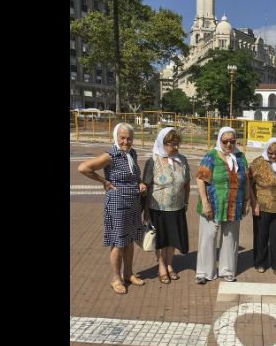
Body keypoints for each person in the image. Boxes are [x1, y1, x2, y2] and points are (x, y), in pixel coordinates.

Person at [77, 123, 147, 294]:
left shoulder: (132, 153)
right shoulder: (111, 155)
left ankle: (128, 273)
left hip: (133, 202)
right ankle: (116, 278)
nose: (126, 141)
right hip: (117, 202)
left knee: (130, 241)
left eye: (129, 138)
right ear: (116, 137)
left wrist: (140, 184)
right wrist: (104, 181)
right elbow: (83, 168)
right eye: (122, 137)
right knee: (118, 242)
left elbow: (134, 175)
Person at [194, 127, 251, 284]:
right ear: (219, 140)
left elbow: (246, 180)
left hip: (234, 204)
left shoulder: (240, 157)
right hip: (212, 204)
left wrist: (247, 201)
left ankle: (227, 270)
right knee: (208, 237)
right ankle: (204, 272)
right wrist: (205, 202)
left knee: (230, 238)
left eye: (232, 141)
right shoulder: (211, 156)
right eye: (225, 141)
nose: (228, 145)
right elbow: (200, 179)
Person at [142, 127, 190, 285]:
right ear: (162, 143)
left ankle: (170, 265)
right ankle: (161, 267)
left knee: (172, 239)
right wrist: (146, 211)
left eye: (177, 144)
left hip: (177, 207)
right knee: (161, 240)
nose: (175, 147)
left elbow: (187, 183)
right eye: (171, 144)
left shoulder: (182, 160)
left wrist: (186, 201)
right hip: (158, 209)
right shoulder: (153, 161)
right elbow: (146, 187)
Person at [249, 137, 276, 275]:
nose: (273, 156)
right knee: (261, 236)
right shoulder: (258, 162)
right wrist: (253, 203)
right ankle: (260, 262)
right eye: (270, 153)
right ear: (266, 150)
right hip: (261, 207)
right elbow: (249, 185)